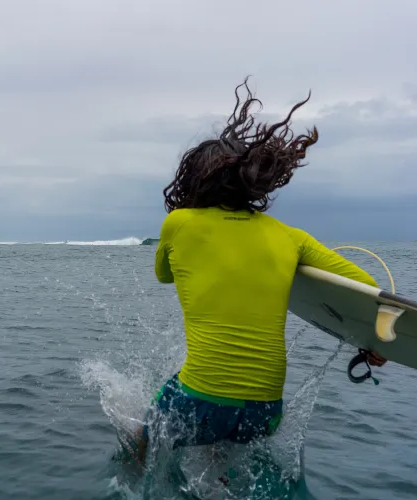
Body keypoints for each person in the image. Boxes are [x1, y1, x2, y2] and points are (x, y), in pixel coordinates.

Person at [127, 77, 387, 466]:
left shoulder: (178, 224)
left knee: (144, 434)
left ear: (193, 179)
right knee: (229, 440)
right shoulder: (289, 237)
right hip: (265, 413)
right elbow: (365, 286)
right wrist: (372, 341)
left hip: (200, 401)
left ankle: (132, 478)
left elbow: (164, 275)